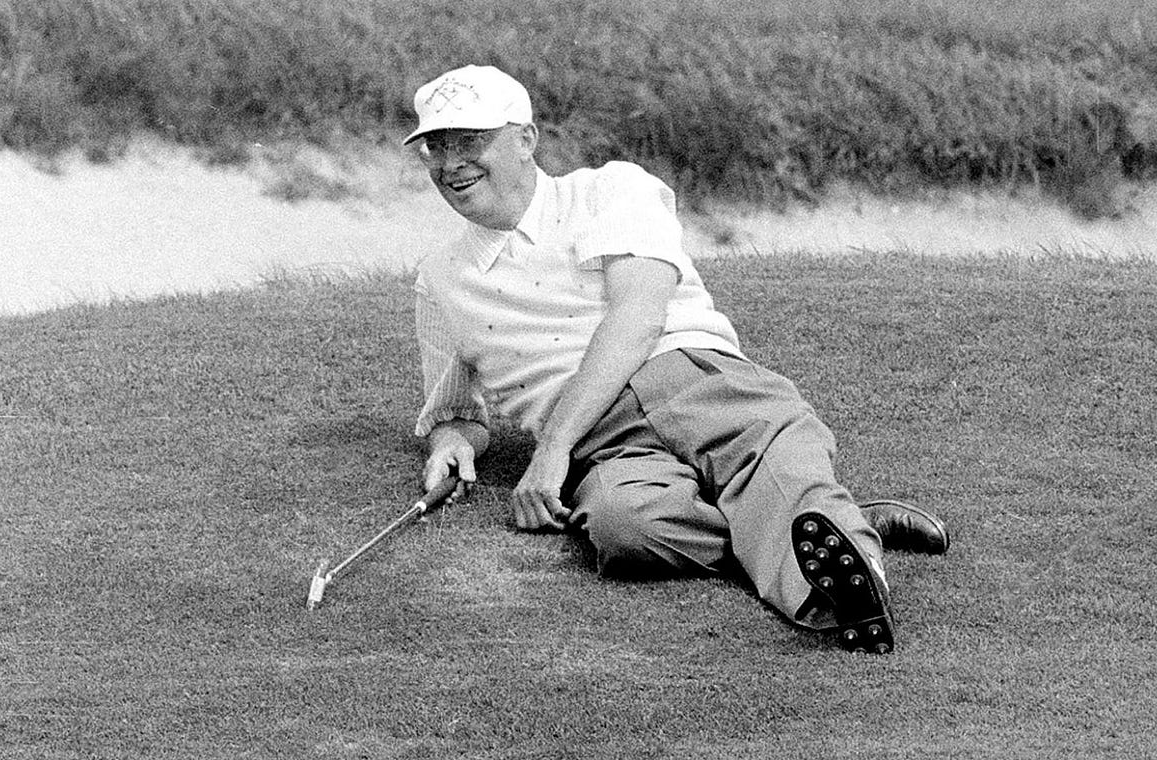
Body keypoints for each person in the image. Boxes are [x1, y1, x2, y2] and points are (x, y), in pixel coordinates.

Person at [403, 64, 950, 654]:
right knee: (626, 527)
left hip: (688, 374)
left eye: (469, 141)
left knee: (767, 449)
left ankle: (841, 590)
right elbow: (456, 410)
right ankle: (808, 518)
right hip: (606, 445)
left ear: (526, 139)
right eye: (436, 146)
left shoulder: (611, 189)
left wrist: (552, 450)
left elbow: (637, 318)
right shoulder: (439, 280)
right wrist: (451, 442)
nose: (451, 162)